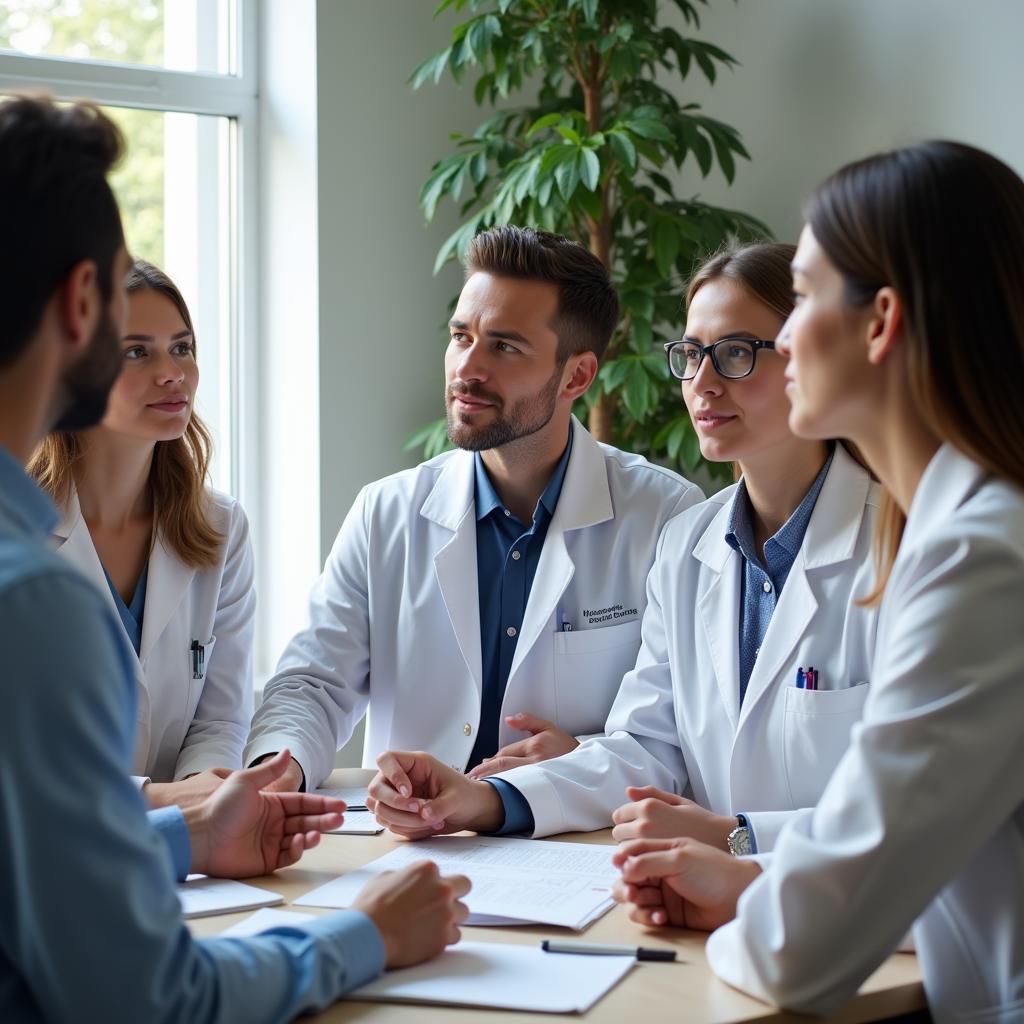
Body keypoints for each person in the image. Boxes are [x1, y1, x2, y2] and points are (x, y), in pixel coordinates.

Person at [0, 93, 468, 1023]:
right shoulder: (31, 602)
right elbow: (143, 999)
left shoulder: (200, 530)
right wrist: (363, 933)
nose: (168, 369)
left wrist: (185, 838)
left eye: (183, 347)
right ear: (83, 301)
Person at [612, 141, 1024, 1022]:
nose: (785, 337)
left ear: (881, 322)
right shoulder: (963, 526)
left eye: (800, 299)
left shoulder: (982, 554)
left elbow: (800, 947)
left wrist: (745, 892)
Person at [365, 244, 880, 852]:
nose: (703, 384)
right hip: (711, 907)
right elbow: (647, 747)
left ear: (809, 357)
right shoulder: (690, 544)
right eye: (692, 355)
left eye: (736, 354)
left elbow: (920, 803)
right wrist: (479, 799)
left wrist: (739, 840)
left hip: (870, 929)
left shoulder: (898, 546)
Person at [245, 225, 704, 791]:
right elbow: (311, 684)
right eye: (461, 336)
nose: (468, 369)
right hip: (412, 843)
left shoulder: (665, 516)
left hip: (574, 849)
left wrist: (582, 757)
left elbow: (683, 727)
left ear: (577, 375)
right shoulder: (386, 513)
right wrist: (279, 768)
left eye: (505, 346)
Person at [30, 259, 255, 808]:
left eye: (182, 348)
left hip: (192, 858)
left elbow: (221, 718)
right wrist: (168, 801)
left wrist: (210, 792)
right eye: (137, 352)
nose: (172, 372)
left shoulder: (220, 528)